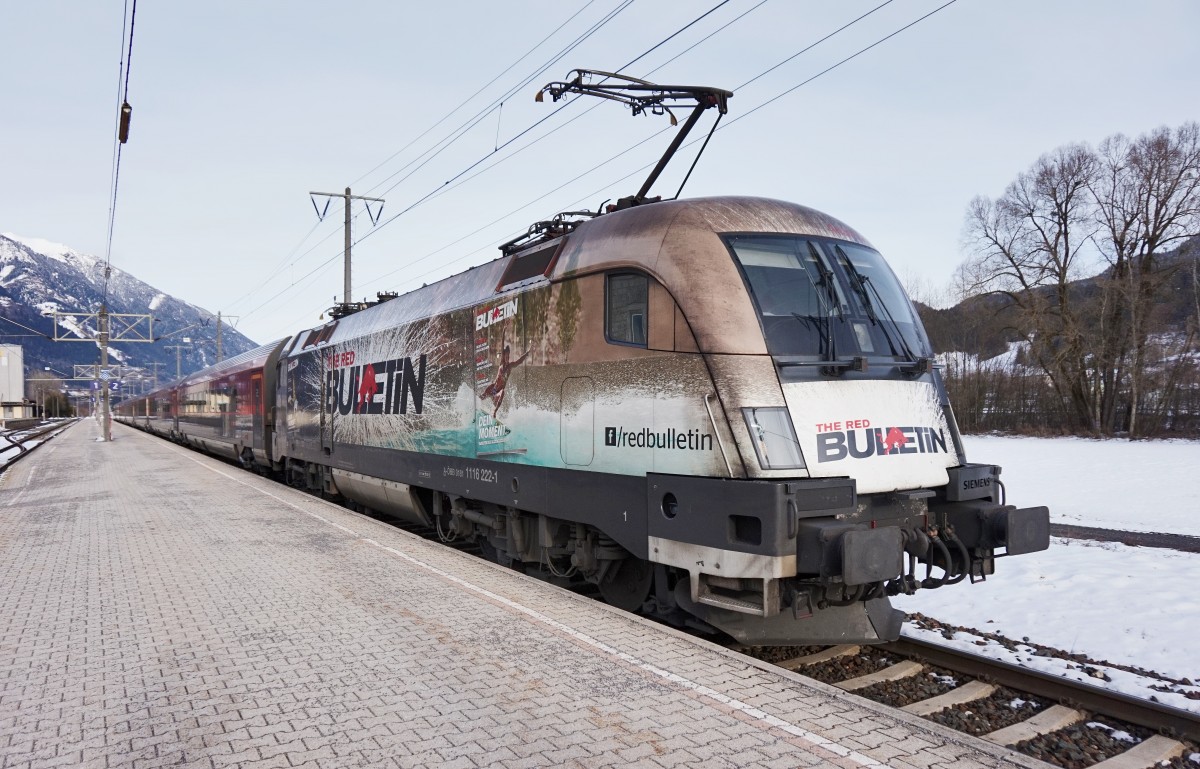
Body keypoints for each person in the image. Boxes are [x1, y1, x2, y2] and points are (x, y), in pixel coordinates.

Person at [480, 336, 529, 418]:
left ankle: (494, 412)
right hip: (493, 388)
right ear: (504, 356)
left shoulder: (510, 366)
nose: (507, 358)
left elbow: (519, 361)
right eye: (506, 356)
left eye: (508, 356)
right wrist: (503, 331)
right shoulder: (501, 363)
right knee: (481, 397)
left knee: (503, 391)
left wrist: (527, 353)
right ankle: (472, 406)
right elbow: (502, 345)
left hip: (497, 393)